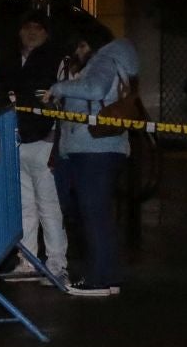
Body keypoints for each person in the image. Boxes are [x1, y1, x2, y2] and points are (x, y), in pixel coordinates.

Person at [45, 35, 139, 297]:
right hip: (103, 147)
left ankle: (98, 279)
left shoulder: (103, 60)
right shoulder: (116, 60)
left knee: (93, 213)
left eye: (82, 44)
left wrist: (60, 88)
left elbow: (95, 89)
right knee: (100, 214)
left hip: (92, 148)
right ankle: (108, 275)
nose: (78, 50)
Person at [0, 12, 68, 287]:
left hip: (44, 141)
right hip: (16, 139)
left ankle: (56, 265)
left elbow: (63, 99)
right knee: (24, 206)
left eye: (37, 28)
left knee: (49, 206)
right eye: (26, 27)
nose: (31, 32)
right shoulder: (9, 60)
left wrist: (55, 132)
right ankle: (27, 261)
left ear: (47, 33)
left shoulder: (55, 60)